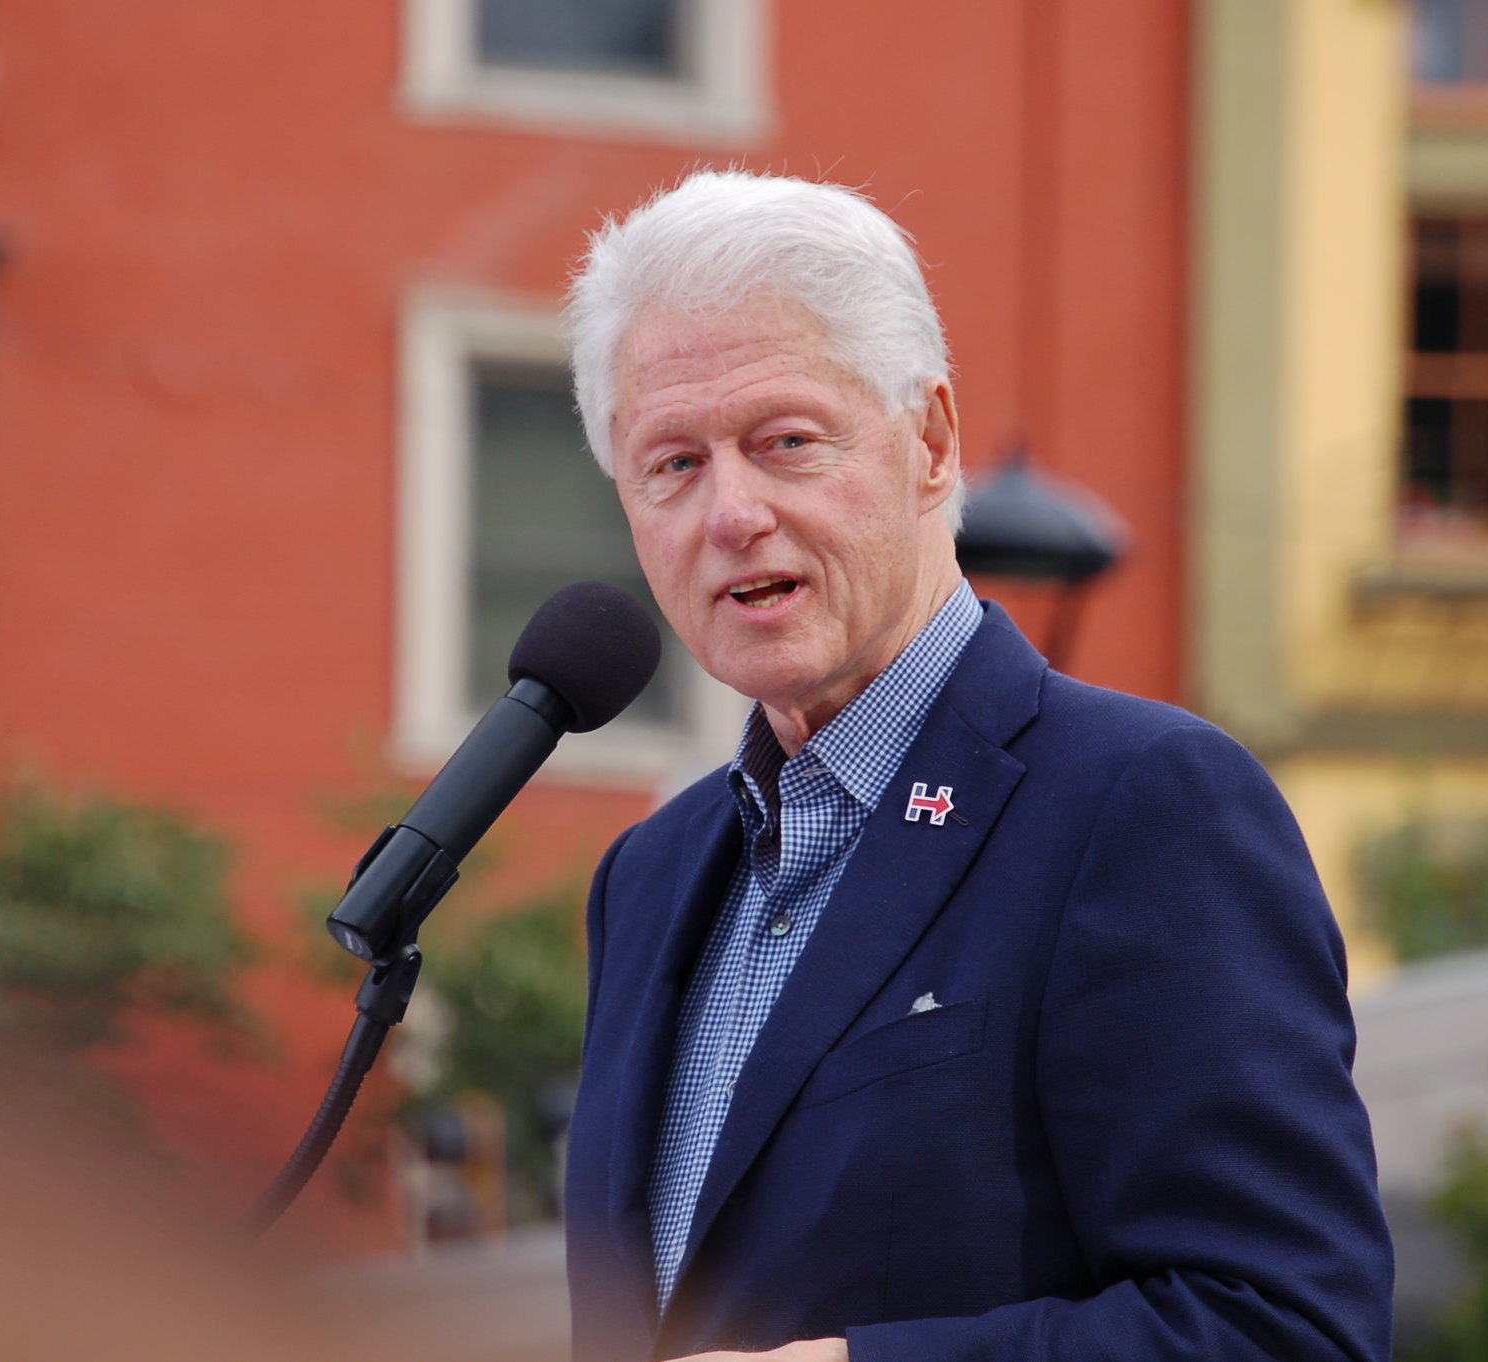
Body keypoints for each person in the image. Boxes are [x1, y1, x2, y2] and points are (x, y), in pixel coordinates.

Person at [561, 170, 1393, 1362]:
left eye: (784, 441)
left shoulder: (1142, 804)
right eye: (672, 464)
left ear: (931, 445)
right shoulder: (647, 876)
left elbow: (1285, 1330)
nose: (728, 513)